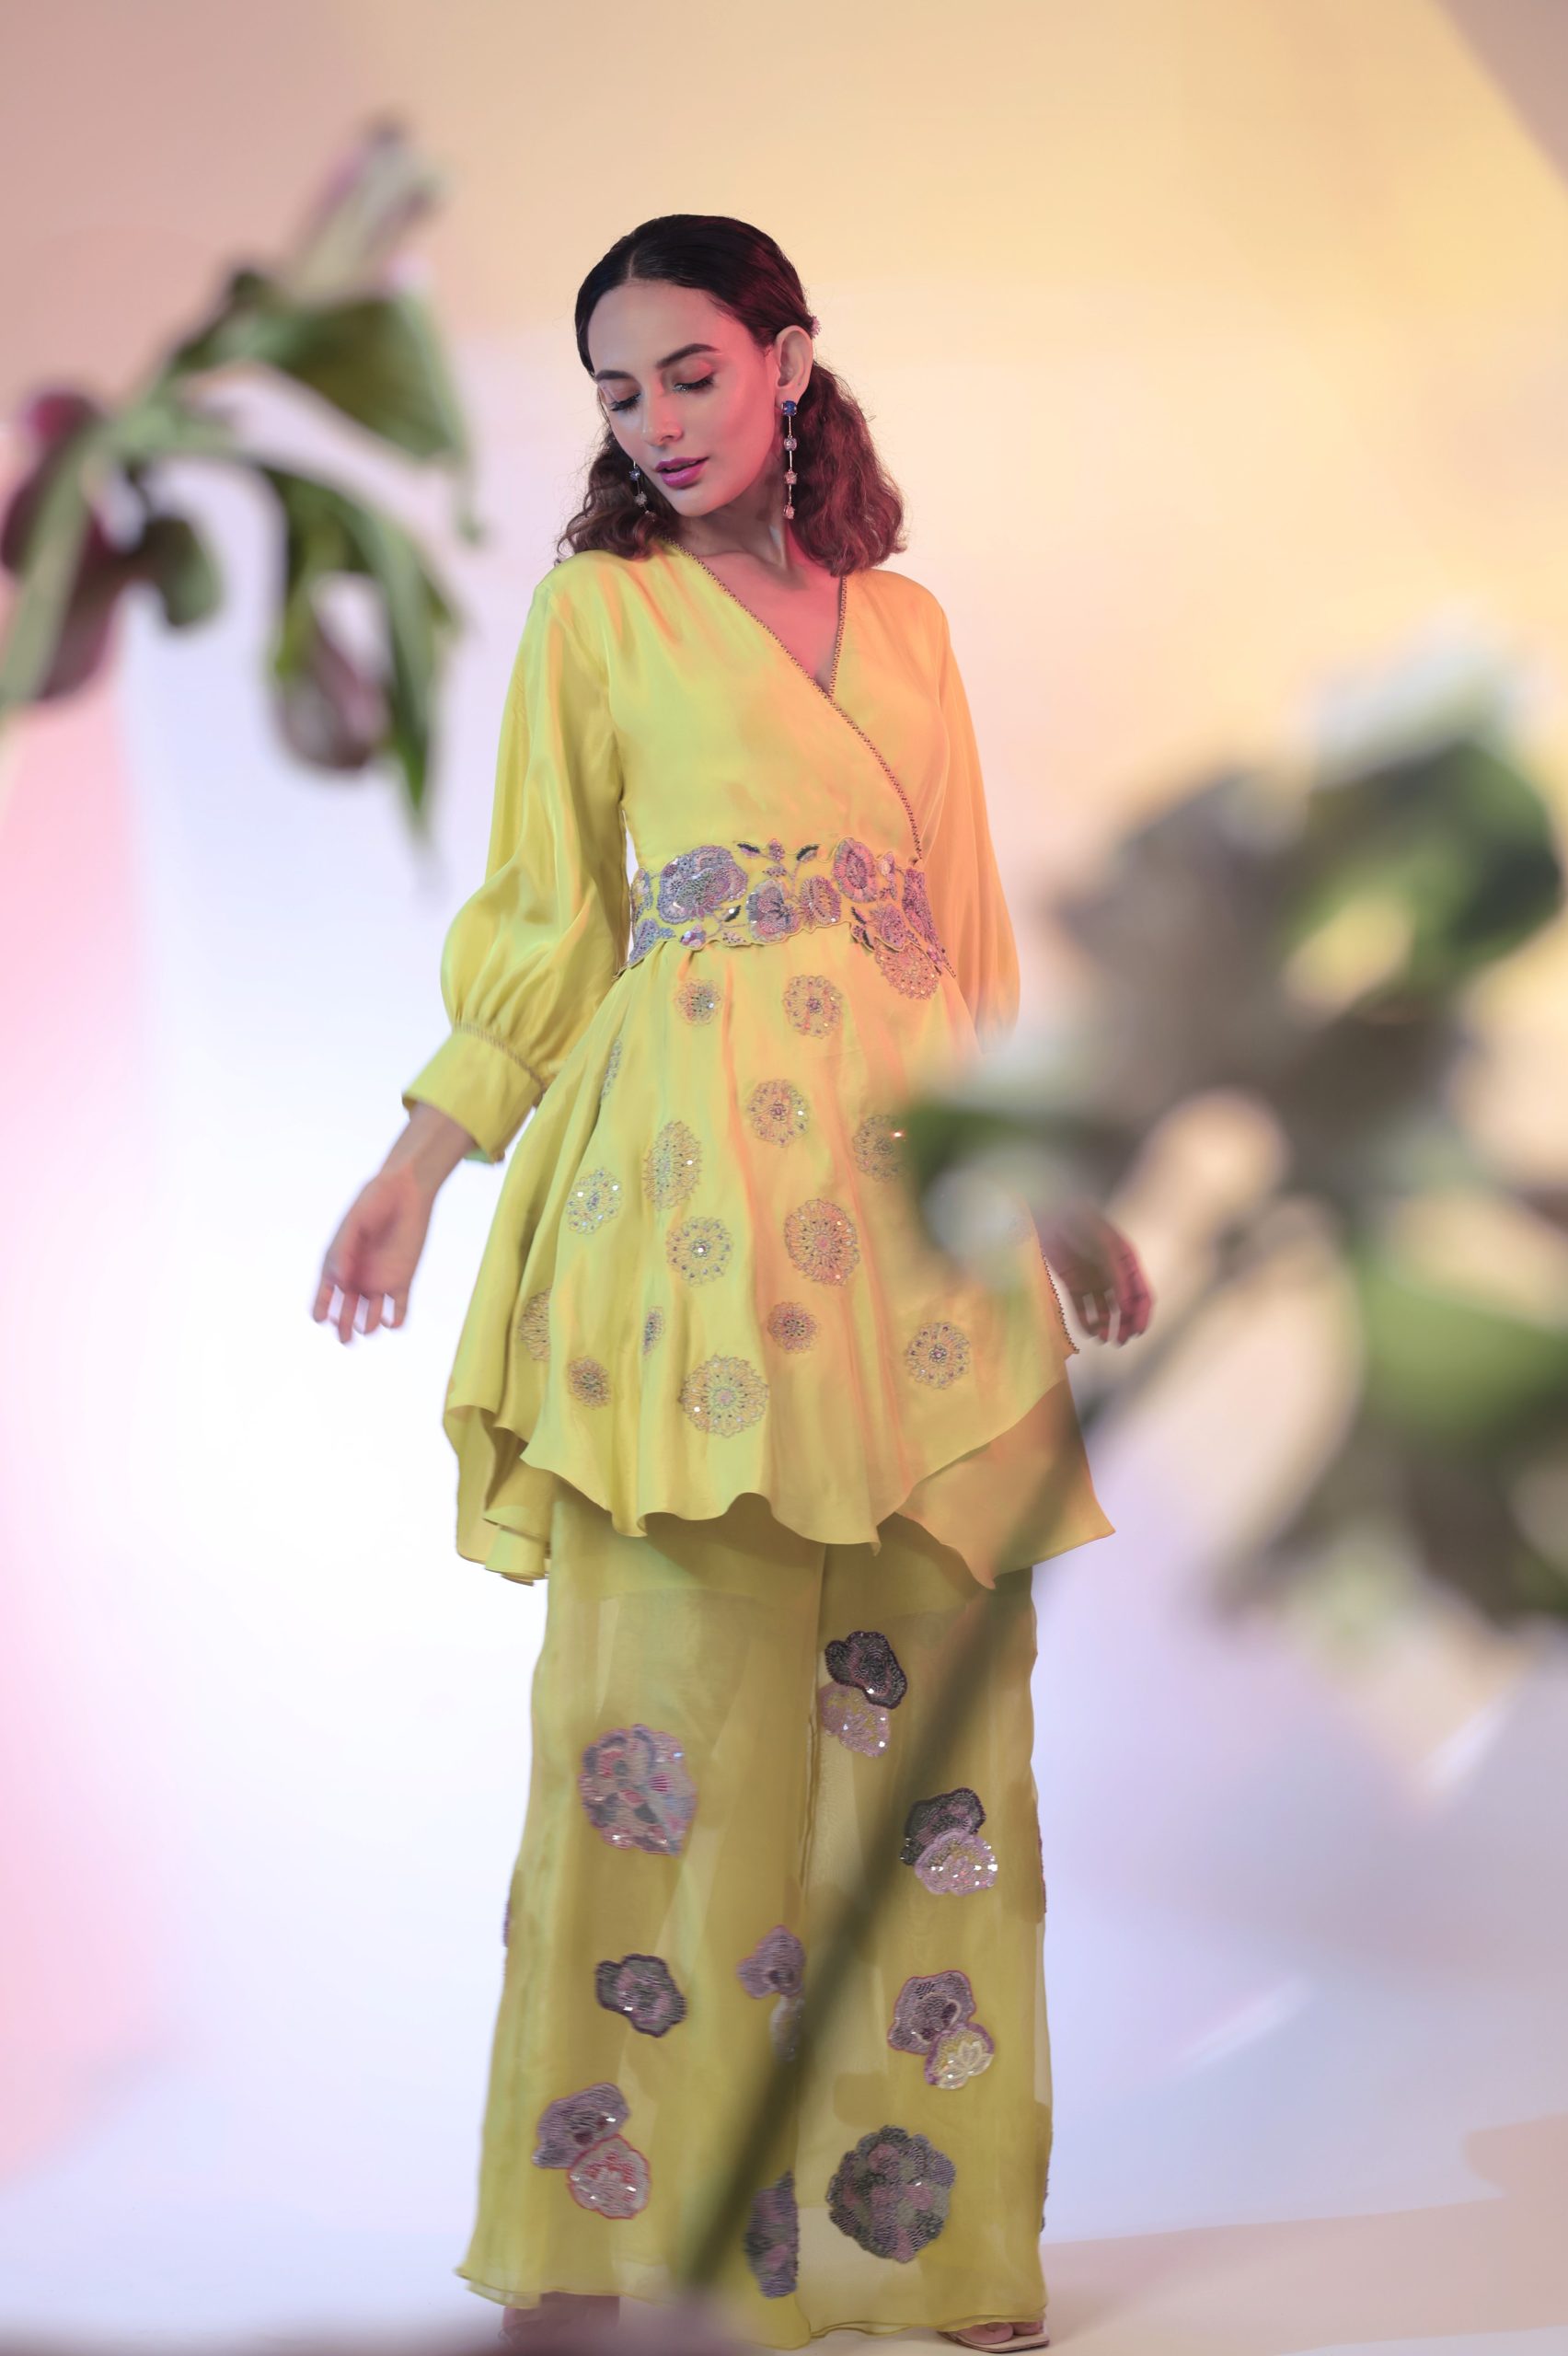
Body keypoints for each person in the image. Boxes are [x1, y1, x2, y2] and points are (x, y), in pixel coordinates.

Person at [313, 214, 1153, 2355]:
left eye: (688, 369)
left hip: (913, 1239)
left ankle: (917, 2235)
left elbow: (964, 946)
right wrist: (418, 1160)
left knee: (924, 1721)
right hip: (685, 1225)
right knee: (658, 1726)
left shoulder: (912, 627)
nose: (654, 419)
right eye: (616, 389)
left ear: (785, 357)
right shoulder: (596, 613)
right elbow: (543, 925)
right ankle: (605, 2235)